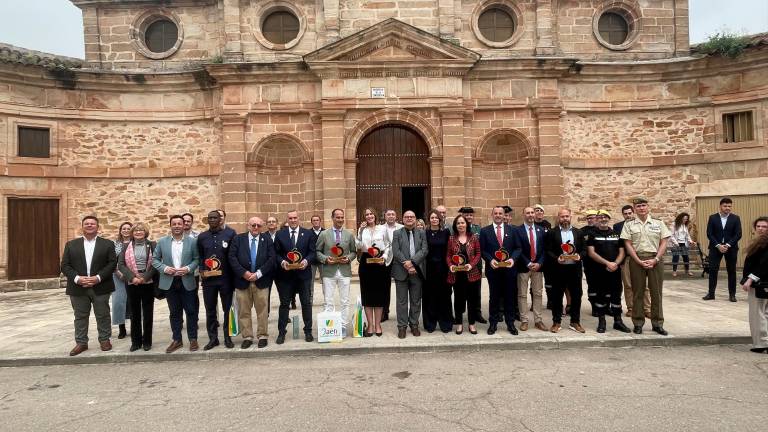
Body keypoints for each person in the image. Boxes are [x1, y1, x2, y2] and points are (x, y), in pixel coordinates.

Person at [61, 216, 118, 356]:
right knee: (80, 315)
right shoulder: (71, 244)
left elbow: (112, 264)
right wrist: (77, 278)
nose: (89, 225)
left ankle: (104, 340)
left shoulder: (108, 244)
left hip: (101, 285)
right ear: (82, 226)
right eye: (86, 223)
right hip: (78, 287)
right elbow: (65, 265)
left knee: (103, 314)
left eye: (92, 223)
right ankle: (81, 342)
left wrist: (98, 278)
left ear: (98, 227)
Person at [620, 196, 671, 335]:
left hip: (655, 259)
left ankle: (657, 323)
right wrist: (637, 260)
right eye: (638, 206)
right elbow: (628, 244)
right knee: (637, 292)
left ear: (648, 207)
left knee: (656, 292)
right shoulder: (629, 224)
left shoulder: (658, 223)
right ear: (634, 209)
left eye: (643, 205)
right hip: (637, 260)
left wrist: (656, 259)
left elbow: (664, 242)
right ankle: (638, 323)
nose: (641, 208)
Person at [152, 214, 200, 353]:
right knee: (174, 312)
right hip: (170, 281)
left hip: (187, 280)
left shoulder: (192, 241)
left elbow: (197, 259)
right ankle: (177, 339)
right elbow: (155, 260)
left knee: (191, 311)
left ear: (183, 225)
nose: (177, 226)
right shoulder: (162, 242)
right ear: (170, 225)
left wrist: (188, 268)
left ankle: (193, 339)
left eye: (180, 223)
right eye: (175, 224)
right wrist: (165, 269)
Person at [229, 216, 275, 349]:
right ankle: (247, 337)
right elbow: (232, 257)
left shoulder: (267, 239)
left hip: (261, 281)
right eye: (253, 225)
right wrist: (244, 273)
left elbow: (271, 258)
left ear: (262, 227)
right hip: (242, 281)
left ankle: (262, 336)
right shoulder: (238, 239)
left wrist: (259, 274)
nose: (256, 228)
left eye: (258, 225)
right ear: (248, 226)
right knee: (244, 311)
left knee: (262, 310)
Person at [273, 210, 316, 344]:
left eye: (295, 218)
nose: (293, 220)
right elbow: (276, 253)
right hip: (285, 276)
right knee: (284, 304)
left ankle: (308, 331)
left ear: (299, 219)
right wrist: (282, 262)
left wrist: (306, 261)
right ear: (287, 219)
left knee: (306, 304)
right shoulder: (280, 234)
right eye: (290, 218)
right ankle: (281, 333)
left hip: (303, 275)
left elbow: (312, 252)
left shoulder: (308, 233)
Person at [197, 210, 237, 350]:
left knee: (228, 309)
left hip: (226, 279)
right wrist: (202, 270)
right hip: (209, 281)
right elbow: (200, 257)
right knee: (210, 310)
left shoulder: (230, 234)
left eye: (215, 217)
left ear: (220, 219)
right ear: (207, 220)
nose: (213, 220)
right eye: (210, 218)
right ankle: (213, 338)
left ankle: (228, 337)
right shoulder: (202, 237)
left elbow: (233, 255)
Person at [587, 210, 631, 333]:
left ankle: (618, 322)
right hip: (599, 271)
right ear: (597, 219)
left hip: (615, 270)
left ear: (609, 219)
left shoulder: (616, 234)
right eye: (600, 217)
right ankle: (602, 322)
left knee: (616, 296)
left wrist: (615, 263)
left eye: (605, 217)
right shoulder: (592, 234)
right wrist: (607, 263)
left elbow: (622, 251)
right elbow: (591, 252)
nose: (603, 219)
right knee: (601, 296)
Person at [479, 206, 521, 335]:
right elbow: (482, 249)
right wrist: (490, 260)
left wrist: (512, 260)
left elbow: (518, 248)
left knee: (510, 297)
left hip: (509, 269)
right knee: (494, 297)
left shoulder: (513, 230)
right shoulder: (485, 231)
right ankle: (493, 323)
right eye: (495, 213)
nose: (498, 215)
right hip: (493, 269)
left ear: (504, 215)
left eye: (500, 213)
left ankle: (510, 323)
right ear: (492, 215)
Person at [315, 209, 357, 338]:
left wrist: (348, 258)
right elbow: (317, 251)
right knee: (328, 300)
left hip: (344, 271)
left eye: (342, 217)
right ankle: (330, 327)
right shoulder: (324, 234)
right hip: (328, 271)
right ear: (332, 218)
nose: (340, 219)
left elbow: (354, 252)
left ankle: (343, 326)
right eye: (337, 217)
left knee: (345, 300)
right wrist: (325, 259)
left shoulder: (349, 234)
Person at [117, 222, 157, 351]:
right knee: (134, 313)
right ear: (132, 233)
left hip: (147, 282)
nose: (138, 232)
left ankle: (147, 342)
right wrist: (132, 278)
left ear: (145, 232)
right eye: (136, 230)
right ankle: (136, 342)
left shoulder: (152, 245)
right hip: (132, 282)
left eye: (141, 230)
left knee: (147, 312)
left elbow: (156, 262)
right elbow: (121, 264)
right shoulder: (126, 246)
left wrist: (144, 277)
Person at [545, 208, 586, 333]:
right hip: (558, 270)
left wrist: (580, 256)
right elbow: (548, 250)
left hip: (574, 269)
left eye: (567, 216)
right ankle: (556, 322)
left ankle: (575, 322)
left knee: (576, 296)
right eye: (562, 217)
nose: (565, 219)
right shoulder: (552, 233)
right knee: (557, 296)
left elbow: (584, 249)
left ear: (570, 217)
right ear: (559, 218)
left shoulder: (578, 232)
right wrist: (557, 258)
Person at [392, 210, 428, 339]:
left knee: (415, 300)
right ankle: (402, 327)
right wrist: (406, 264)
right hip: (401, 271)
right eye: (406, 217)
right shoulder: (397, 233)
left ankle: (414, 324)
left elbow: (424, 250)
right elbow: (396, 251)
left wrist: (412, 263)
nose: (409, 219)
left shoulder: (422, 233)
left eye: (411, 217)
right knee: (401, 301)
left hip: (417, 271)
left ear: (415, 219)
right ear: (402, 219)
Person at [357, 207, 391, 336]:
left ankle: (377, 325)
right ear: (364, 217)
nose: (369, 216)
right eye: (367, 214)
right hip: (366, 261)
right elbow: (359, 246)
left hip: (379, 261)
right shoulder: (362, 230)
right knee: (367, 294)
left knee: (378, 294)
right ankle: (370, 325)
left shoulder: (383, 228)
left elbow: (388, 245)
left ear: (375, 215)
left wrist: (385, 257)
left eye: (371, 213)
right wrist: (359, 232)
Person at [447, 214, 482, 335]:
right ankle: (459, 324)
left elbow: (478, 253)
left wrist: (471, 265)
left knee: (472, 300)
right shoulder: (451, 238)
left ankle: (472, 324)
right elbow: (448, 255)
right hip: (457, 275)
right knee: (458, 300)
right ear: (455, 226)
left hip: (471, 273)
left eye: (462, 223)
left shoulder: (474, 237)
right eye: (458, 223)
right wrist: (450, 265)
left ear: (466, 224)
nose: (460, 225)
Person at [614, 204, 650, 318]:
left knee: (644, 285)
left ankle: (647, 308)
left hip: (641, 257)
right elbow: (617, 245)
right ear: (622, 215)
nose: (628, 215)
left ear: (633, 212)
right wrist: (619, 261)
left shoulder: (640, 223)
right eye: (625, 214)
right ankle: (631, 307)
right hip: (627, 259)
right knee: (628, 284)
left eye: (630, 213)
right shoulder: (617, 227)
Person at [515, 207, 547, 332]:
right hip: (523, 267)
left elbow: (544, 249)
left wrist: (539, 263)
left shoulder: (541, 230)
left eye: (532, 212)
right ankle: (524, 320)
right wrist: (528, 262)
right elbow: (518, 249)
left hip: (538, 268)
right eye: (527, 213)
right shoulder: (517, 230)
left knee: (538, 293)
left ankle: (538, 320)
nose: (530, 215)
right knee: (522, 294)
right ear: (523, 214)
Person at [704, 197, 742, 302]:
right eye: (725, 206)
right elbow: (709, 233)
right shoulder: (712, 218)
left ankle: (732, 295)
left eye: (729, 206)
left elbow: (738, 234)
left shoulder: (735, 218)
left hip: (731, 248)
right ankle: (711, 294)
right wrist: (718, 245)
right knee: (713, 270)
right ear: (720, 206)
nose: (727, 208)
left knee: (732, 271)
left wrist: (728, 245)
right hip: (715, 248)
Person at [740, 217, 768, 354]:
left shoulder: (766, 243)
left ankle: (762, 343)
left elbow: (764, 264)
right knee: (764, 313)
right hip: (761, 282)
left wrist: (750, 279)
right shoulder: (758, 242)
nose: (761, 229)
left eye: (764, 227)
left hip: (760, 283)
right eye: (758, 226)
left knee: (758, 313)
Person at [423, 210, 453, 333]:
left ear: (440, 219)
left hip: (443, 269)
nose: (434, 219)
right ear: (429, 219)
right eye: (432, 217)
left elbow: (450, 250)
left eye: (436, 217)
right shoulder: (425, 233)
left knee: (444, 296)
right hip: (429, 269)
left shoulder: (446, 232)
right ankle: (430, 323)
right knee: (430, 296)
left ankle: (445, 322)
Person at [460, 206, 487, 324]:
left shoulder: (478, 229)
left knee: (476, 289)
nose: (469, 217)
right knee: (460, 290)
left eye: (471, 215)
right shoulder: (458, 228)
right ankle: (459, 314)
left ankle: (477, 313)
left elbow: (481, 246)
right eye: (466, 215)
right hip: (460, 263)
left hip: (476, 263)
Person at [381, 209, 403, 322]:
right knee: (385, 287)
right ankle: (385, 312)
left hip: (400, 260)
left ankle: (402, 313)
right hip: (386, 260)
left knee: (402, 286)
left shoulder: (401, 227)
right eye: (388, 214)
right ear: (385, 216)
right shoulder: (380, 228)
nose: (391, 216)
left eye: (393, 214)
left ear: (396, 216)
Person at [112, 222, 132, 339]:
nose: (125, 230)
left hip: (134, 276)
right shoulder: (115, 245)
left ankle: (134, 327)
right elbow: (111, 260)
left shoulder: (135, 243)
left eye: (128, 228)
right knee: (118, 302)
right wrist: (118, 272)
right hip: (117, 276)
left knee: (133, 301)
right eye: (123, 228)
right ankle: (122, 328)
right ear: (120, 231)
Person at [582, 209, 599, 317]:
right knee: (592, 285)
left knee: (604, 285)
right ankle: (594, 307)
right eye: (588, 218)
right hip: (589, 262)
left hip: (603, 262)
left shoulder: (603, 229)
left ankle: (605, 306)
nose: (589, 220)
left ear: (597, 218)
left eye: (591, 217)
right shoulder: (582, 231)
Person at [670, 212, 697, 277]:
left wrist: (691, 241)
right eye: (684, 219)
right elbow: (671, 235)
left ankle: (687, 270)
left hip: (683, 243)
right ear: (680, 218)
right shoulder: (674, 224)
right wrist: (676, 243)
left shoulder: (684, 226)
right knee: (676, 257)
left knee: (686, 257)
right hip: (676, 244)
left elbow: (687, 235)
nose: (685, 220)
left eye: (686, 219)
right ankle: (674, 271)